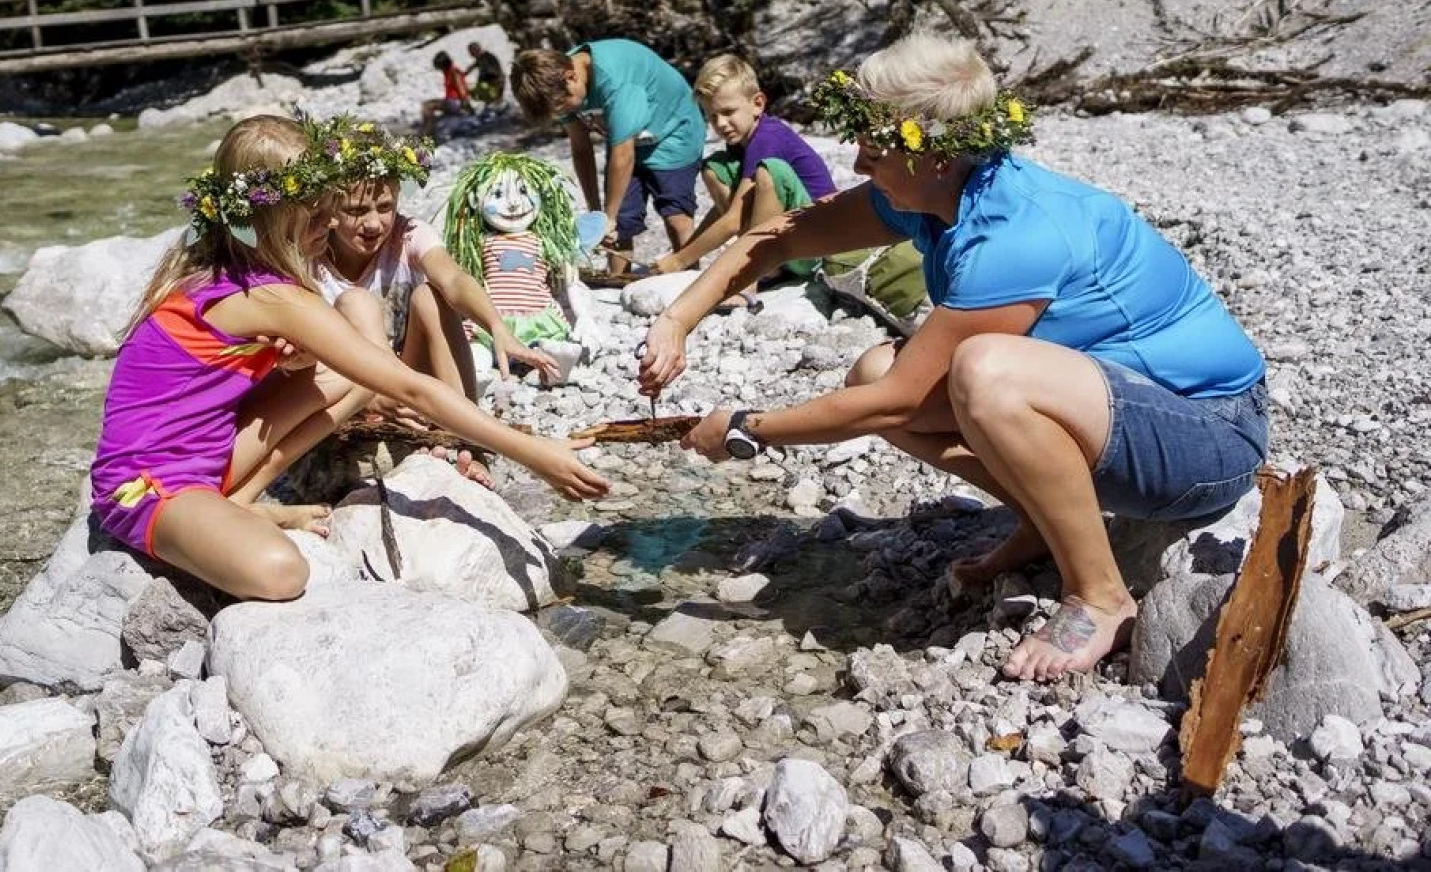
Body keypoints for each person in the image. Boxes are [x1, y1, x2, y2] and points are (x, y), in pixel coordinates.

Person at [637, 34, 1268, 683]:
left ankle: (1099, 596)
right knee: (873, 371)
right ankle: (1041, 521)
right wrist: (675, 319)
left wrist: (745, 428)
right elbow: (778, 237)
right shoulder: (933, 194)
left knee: (982, 371)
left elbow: (903, 401)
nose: (856, 162)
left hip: (1208, 439)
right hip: (1117, 414)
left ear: (932, 154)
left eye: (875, 150)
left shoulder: (1014, 233)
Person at [89, 114, 608, 603]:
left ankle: (236, 504)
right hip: (147, 484)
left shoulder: (234, 264)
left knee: (349, 352)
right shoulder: (276, 299)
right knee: (282, 572)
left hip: (211, 452)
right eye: (317, 218)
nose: (330, 226)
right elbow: (412, 387)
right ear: (272, 216)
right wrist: (534, 453)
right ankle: (229, 514)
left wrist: (287, 362)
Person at [312, 117, 561, 403]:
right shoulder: (312, 251)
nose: (373, 224)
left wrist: (497, 327)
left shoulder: (408, 234)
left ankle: (463, 419)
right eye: (356, 210)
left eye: (384, 207)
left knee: (431, 297)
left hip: (410, 379)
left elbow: (453, 278)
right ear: (330, 206)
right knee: (356, 302)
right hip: (347, 387)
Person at [511, 39, 703, 272]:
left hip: (673, 131)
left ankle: (691, 275)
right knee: (621, 220)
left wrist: (607, 218)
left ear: (571, 77)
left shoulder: (616, 82)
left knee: (675, 213)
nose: (564, 112)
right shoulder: (555, 85)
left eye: (563, 105)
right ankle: (619, 281)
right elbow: (581, 149)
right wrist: (598, 216)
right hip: (626, 137)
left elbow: (624, 156)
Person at [652, 53, 836, 280]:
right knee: (715, 168)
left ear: (757, 104)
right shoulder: (741, 144)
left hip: (815, 245)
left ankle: (758, 267)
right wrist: (686, 253)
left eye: (728, 112)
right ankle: (761, 258)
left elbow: (733, 220)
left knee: (772, 171)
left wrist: (680, 260)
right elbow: (725, 213)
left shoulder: (767, 138)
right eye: (712, 116)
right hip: (791, 241)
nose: (720, 124)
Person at [419, 50, 472, 138]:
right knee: (427, 104)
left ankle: (428, 132)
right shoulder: (449, 71)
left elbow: (461, 87)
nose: (439, 69)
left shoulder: (454, 71)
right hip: (452, 101)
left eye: (439, 66)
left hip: (455, 102)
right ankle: (427, 129)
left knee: (427, 106)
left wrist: (466, 104)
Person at [465, 41, 505, 106]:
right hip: (490, 85)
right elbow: (471, 68)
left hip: (495, 85)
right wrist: (463, 74)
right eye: (471, 53)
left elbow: (498, 75)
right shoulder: (480, 58)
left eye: (472, 52)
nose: (472, 54)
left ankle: (495, 100)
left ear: (478, 49)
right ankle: (490, 100)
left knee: (480, 89)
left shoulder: (488, 57)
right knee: (472, 91)